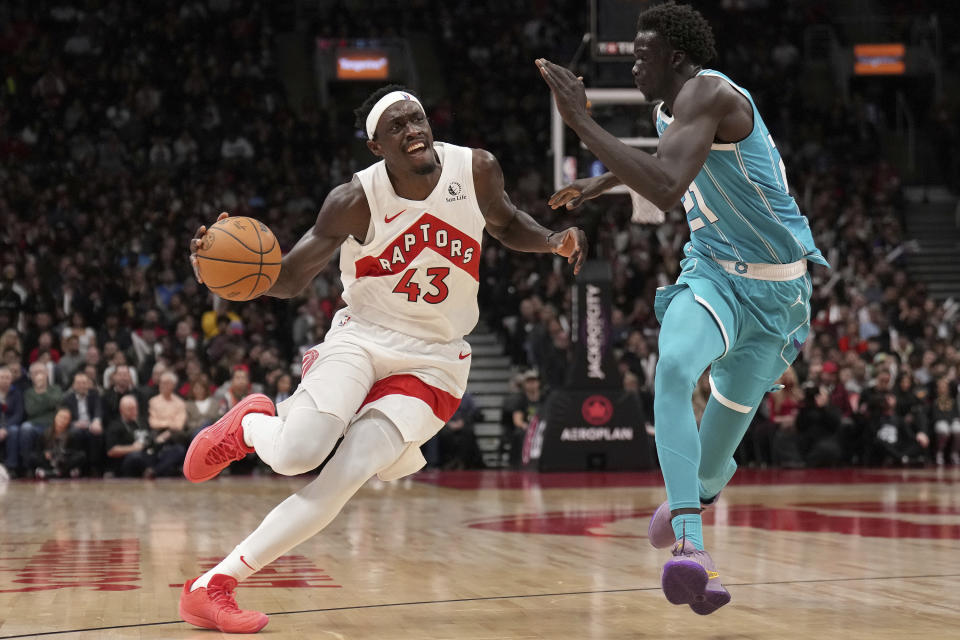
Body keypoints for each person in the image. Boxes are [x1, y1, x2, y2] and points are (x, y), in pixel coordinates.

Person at [177, 85, 587, 633]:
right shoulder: (353, 200)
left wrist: (553, 240)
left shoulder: (477, 169)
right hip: (363, 337)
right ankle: (252, 422)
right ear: (376, 146)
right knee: (298, 454)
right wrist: (218, 269)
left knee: (344, 476)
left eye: (417, 118)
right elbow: (292, 277)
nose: (413, 129)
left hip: (435, 359)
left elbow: (508, 224)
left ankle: (213, 585)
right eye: (397, 126)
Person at [537, 1, 827, 614]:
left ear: (675, 57)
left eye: (642, 55)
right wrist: (601, 181)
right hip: (713, 275)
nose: (633, 65)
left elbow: (666, 186)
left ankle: (688, 499)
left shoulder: (712, 94)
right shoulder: (676, 106)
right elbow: (670, 165)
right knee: (671, 370)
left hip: (780, 298)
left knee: (712, 470)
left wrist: (581, 121)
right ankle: (692, 553)